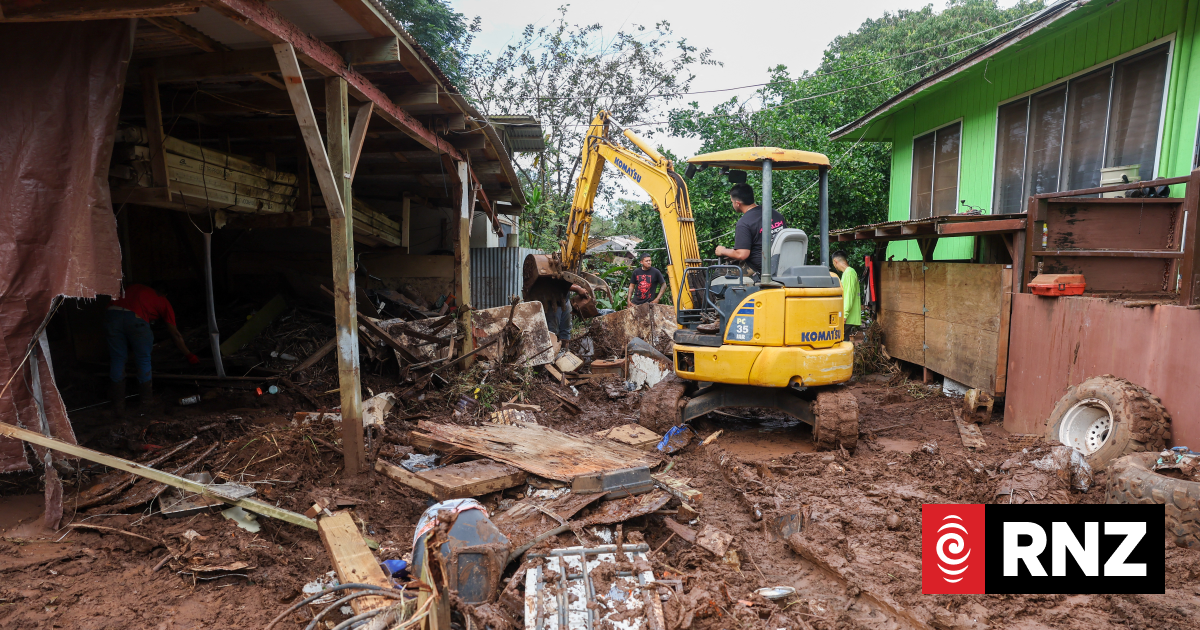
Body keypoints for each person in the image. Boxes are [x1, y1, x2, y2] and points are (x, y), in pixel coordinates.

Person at [106, 284, 198, 415]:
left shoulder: (136, 288)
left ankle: (118, 407)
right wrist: (189, 355)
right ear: (165, 294)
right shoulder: (163, 301)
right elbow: (175, 334)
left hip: (111, 315)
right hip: (136, 319)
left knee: (117, 359)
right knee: (143, 359)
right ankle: (146, 404)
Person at [714, 183, 786, 276]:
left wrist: (722, 251)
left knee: (718, 273)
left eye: (732, 202)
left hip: (760, 268)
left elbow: (741, 254)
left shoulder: (744, 223)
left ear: (738, 203)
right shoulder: (776, 214)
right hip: (782, 264)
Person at [547, 282, 589, 347]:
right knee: (552, 332)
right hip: (552, 301)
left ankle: (565, 351)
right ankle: (551, 351)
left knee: (566, 330)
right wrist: (577, 288)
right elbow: (556, 283)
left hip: (565, 299)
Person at [831, 251, 862, 340]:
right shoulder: (847, 273)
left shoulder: (849, 273)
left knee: (840, 341)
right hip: (847, 316)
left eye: (833, 263)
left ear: (835, 261)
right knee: (844, 341)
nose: (834, 266)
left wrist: (844, 315)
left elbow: (849, 295)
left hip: (847, 316)